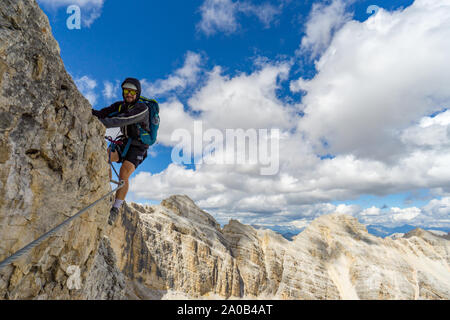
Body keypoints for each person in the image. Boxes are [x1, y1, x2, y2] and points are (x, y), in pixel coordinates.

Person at [92, 78, 151, 225]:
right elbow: (102, 113)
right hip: (124, 141)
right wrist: (85, 109)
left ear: (137, 93)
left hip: (139, 146)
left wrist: (102, 124)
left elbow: (124, 119)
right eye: (126, 91)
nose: (129, 94)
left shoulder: (142, 108)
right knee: (105, 155)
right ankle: (105, 188)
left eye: (132, 91)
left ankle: (115, 209)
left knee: (124, 172)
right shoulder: (120, 106)